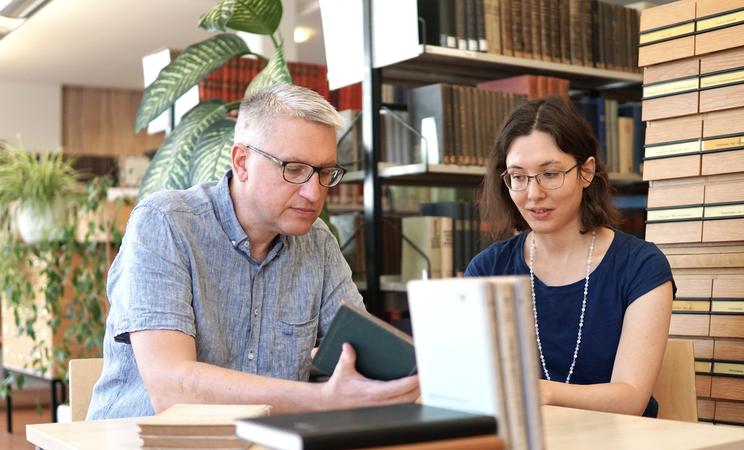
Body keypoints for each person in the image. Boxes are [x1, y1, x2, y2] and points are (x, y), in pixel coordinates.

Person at [87, 84, 419, 419]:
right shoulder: (165, 223)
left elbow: (363, 354)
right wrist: (324, 398)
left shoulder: (317, 242)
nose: (313, 192)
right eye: (294, 169)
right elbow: (171, 388)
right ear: (242, 162)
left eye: (324, 172)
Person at [465, 96, 673, 417]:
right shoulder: (487, 269)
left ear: (586, 172)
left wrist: (540, 391)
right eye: (518, 176)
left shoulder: (641, 267)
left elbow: (631, 397)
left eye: (550, 174)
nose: (533, 194)